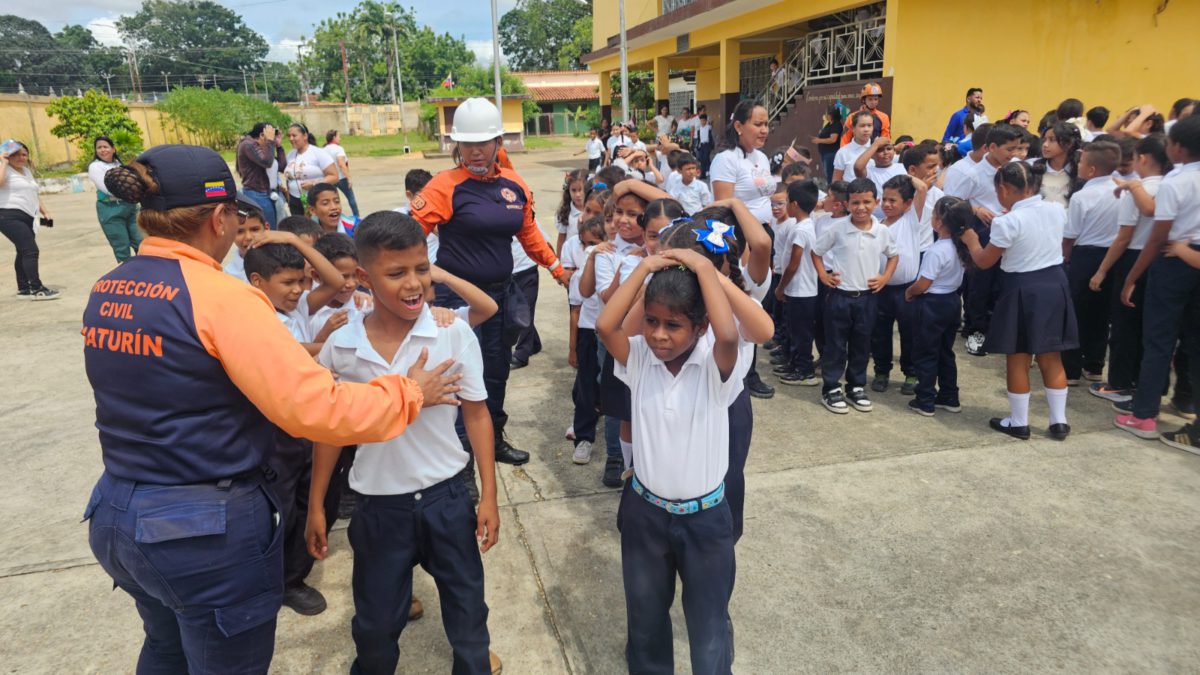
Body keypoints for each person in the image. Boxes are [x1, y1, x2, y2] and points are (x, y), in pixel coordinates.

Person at [81, 144, 462, 674]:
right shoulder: (222, 298)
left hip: (118, 513)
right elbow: (317, 409)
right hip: (199, 531)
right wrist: (409, 392)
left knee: (166, 651)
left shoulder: (109, 287)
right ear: (219, 217)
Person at [306, 212, 503, 675]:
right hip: (378, 504)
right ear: (363, 277)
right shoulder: (344, 347)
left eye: (421, 269)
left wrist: (489, 495)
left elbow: (477, 413)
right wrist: (318, 502)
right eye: (396, 273)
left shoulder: (450, 332)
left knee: (468, 612)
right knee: (375, 625)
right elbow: (332, 431)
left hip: (447, 497)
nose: (413, 284)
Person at [596, 247, 740, 675]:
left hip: (706, 520)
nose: (659, 334)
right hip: (645, 513)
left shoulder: (715, 369)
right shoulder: (639, 358)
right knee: (645, 620)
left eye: (674, 325)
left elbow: (730, 335)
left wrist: (701, 267)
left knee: (708, 624)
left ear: (700, 327)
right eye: (652, 322)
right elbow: (606, 324)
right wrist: (644, 267)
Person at [409, 97, 568, 466]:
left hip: (500, 297)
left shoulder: (514, 184)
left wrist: (557, 269)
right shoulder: (443, 186)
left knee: (496, 372)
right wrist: (422, 284)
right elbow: (406, 236)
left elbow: (529, 235)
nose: (476, 151)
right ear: (456, 145)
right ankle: (458, 450)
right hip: (456, 301)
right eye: (467, 144)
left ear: (499, 142)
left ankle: (492, 438)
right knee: (457, 373)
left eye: (484, 143)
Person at [961, 161, 1075, 441]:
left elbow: (985, 261)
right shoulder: (1056, 209)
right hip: (1055, 283)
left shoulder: (1006, 221)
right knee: (1051, 355)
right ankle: (1058, 420)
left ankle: (1019, 421)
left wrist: (971, 239)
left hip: (1023, 287)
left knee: (1019, 356)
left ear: (1003, 188)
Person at [1116, 115, 1200, 449]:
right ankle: (1188, 409)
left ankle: (1144, 414)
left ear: (1177, 147)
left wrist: (1132, 278)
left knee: (1159, 340)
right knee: (1195, 343)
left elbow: (1157, 238)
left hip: (1172, 259)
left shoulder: (1175, 183)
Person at [1088, 135, 1171, 403]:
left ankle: (1119, 384)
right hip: (1165, 258)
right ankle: (1147, 385)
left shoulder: (1135, 191)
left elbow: (1124, 237)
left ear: (1142, 159)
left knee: (1124, 326)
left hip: (1134, 258)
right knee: (1152, 327)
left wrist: (1102, 270)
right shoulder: (1171, 186)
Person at [812, 178, 899, 414]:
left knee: (862, 344)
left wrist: (885, 278)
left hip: (868, 298)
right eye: (856, 202)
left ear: (876, 202)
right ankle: (831, 388)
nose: (861, 207)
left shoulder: (882, 231)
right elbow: (816, 252)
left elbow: (893, 255)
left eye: (867, 202)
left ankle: (856, 386)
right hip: (839, 296)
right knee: (836, 345)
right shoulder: (837, 229)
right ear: (847, 204)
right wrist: (823, 276)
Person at [1062, 140, 1122, 386]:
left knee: (1075, 312)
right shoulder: (1123, 192)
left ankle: (1071, 369)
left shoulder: (1082, 196)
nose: (1078, 165)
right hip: (1113, 256)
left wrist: (1065, 258)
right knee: (1101, 313)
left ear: (1092, 170)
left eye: (1082, 162)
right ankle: (1095, 365)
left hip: (1084, 256)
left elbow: (1070, 235)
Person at [904, 197, 971, 416]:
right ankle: (949, 396)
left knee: (925, 352)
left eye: (933, 216)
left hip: (932, 304)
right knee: (945, 351)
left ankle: (925, 399)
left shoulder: (936, 250)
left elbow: (924, 283)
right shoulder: (959, 247)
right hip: (952, 301)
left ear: (939, 222)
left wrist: (910, 291)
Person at [869, 175, 929, 396]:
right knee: (880, 333)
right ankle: (882, 372)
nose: (886, 204)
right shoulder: (877, 224)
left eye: (893, 200)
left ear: (908, 203)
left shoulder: (911, 219)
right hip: (881, 288)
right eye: (884, 199)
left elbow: (921, 186)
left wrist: (905, 174)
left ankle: (911, 374)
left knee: (910, 333)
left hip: (907, 289)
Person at [774, 180, 821, 386]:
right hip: (798, 289)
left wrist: (780, 287)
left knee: (801, 333)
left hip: (801, 289)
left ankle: (805, 371)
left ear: (794, 204)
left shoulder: (801, 229)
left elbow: (794, 263)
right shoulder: (803, 225)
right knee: (794, 329)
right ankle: (794, 363)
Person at [0, 140, 57, 300]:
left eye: (24, 154)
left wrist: (45, 212)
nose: (21, 157)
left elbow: (33, 194)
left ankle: (24, 288)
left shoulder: (26, 172)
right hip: (8, 215)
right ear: (8, 155)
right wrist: (3, 162)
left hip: (28, 216)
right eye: (16, 154)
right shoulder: (4, 168)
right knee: (30, 250)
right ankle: (37, 288)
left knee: (22, 251)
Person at [89, 136, 142, 263]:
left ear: (113, 149)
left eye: (105, 147)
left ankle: (146, 274)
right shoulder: (95, 167)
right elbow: (106, 188)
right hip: (110, 210)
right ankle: (129, 277)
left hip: (130, 207)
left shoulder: (119, 164)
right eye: (99, 148)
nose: (102, 150)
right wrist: (130, 191)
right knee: (121, 247)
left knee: (141, 243)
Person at [283, 123, 337, 216]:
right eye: (289, 136)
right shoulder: (290, 155)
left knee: (314, 228)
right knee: (299, 229)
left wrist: (313, 184)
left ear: (305, 136)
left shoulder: (318, 153)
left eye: (294, 135)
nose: (291, 139)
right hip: (294, 201)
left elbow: (334, 177)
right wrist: (289, 197)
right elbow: (289, 178)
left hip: (315, 200)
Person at [236, 122, 283, 225]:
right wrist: (270, 142)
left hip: (270, 193)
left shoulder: (263, 147)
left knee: (275, 227)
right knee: (267, 229)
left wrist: (278, 147)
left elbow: (282, 167)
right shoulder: (248, 144)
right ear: (262, 135)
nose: (273, 138)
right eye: (271, 134)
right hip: (257, 193)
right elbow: (267, 163)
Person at [223, 192, 267, 284]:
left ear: (266, 228)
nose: (248, 237)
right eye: (239, 232)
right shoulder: (228, 275)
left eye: (255, 229)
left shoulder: (281, 264)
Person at [323, 129, 360, 219]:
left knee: (333, 200)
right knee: (351, 199)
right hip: (341, 178)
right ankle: (357, 217)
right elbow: (342, 164)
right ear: (334, 137)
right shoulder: (338, 149)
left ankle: (335, 217)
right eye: (339, 136)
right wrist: (349, 177)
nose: (340, 138)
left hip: (330, 179)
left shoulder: (323, 150)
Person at [839, 82, 891, 146]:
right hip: (856, 153)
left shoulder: (884, 117)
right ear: (864, 100)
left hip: (875, 153)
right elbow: (845, 139)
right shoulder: (852, 117)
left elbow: (885, 139)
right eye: (870, 99)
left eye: (876, 99)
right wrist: (843, 154)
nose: (873, 102)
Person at [832, 111, 875, 183]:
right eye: (862, 126)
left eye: (869, 125)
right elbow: (836, 180)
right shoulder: (843, 152)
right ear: (853, 128)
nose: (866, 129)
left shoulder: (878, 150)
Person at [555, 168, 588, 255]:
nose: (577, 194)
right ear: (568, 190)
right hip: (571, 259)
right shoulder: (565, 213)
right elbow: (561, 239)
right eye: (573, 190)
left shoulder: (595, 211)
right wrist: (559, 260)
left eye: (581, 190)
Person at [812, 104, 843, 180]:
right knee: (828, 173)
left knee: (830, 174)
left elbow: (833, 139)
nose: (825, 115)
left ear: (831, 115)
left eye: (827, 113)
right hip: (825, 153)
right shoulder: (829, 124)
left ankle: (831, 189)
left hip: (831, 154)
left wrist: (819, 140)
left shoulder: (836, 125)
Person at [694, 113, 714, 177]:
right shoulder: (699, 129)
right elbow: (699, 138)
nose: (702, 122)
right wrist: (697, 145)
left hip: (707, 145)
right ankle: (704, 172)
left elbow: (711, 136)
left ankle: (706, 171)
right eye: (701, 120)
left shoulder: (709, 127)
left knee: (705, 158)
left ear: (706, 121)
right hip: (701, 145)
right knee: (702, 158)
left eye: (704, 120)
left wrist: (712, 145)